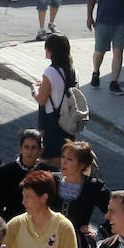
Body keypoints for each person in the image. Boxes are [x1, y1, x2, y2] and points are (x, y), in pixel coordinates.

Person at [31, 32, 76, 168]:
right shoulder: (73, 71)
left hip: (51, 122)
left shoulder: (50, 72)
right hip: (68, 121)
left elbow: (42, 99)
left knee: (46, 160)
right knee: (63, 160)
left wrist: (34, 89)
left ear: (51, 50)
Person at [0, 129, 48, 223]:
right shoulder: (4, 172)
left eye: (34, 147)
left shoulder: (47, 173)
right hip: (11, 225)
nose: (29, 151)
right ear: (21, 148)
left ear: (41, 150)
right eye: (26, 147)